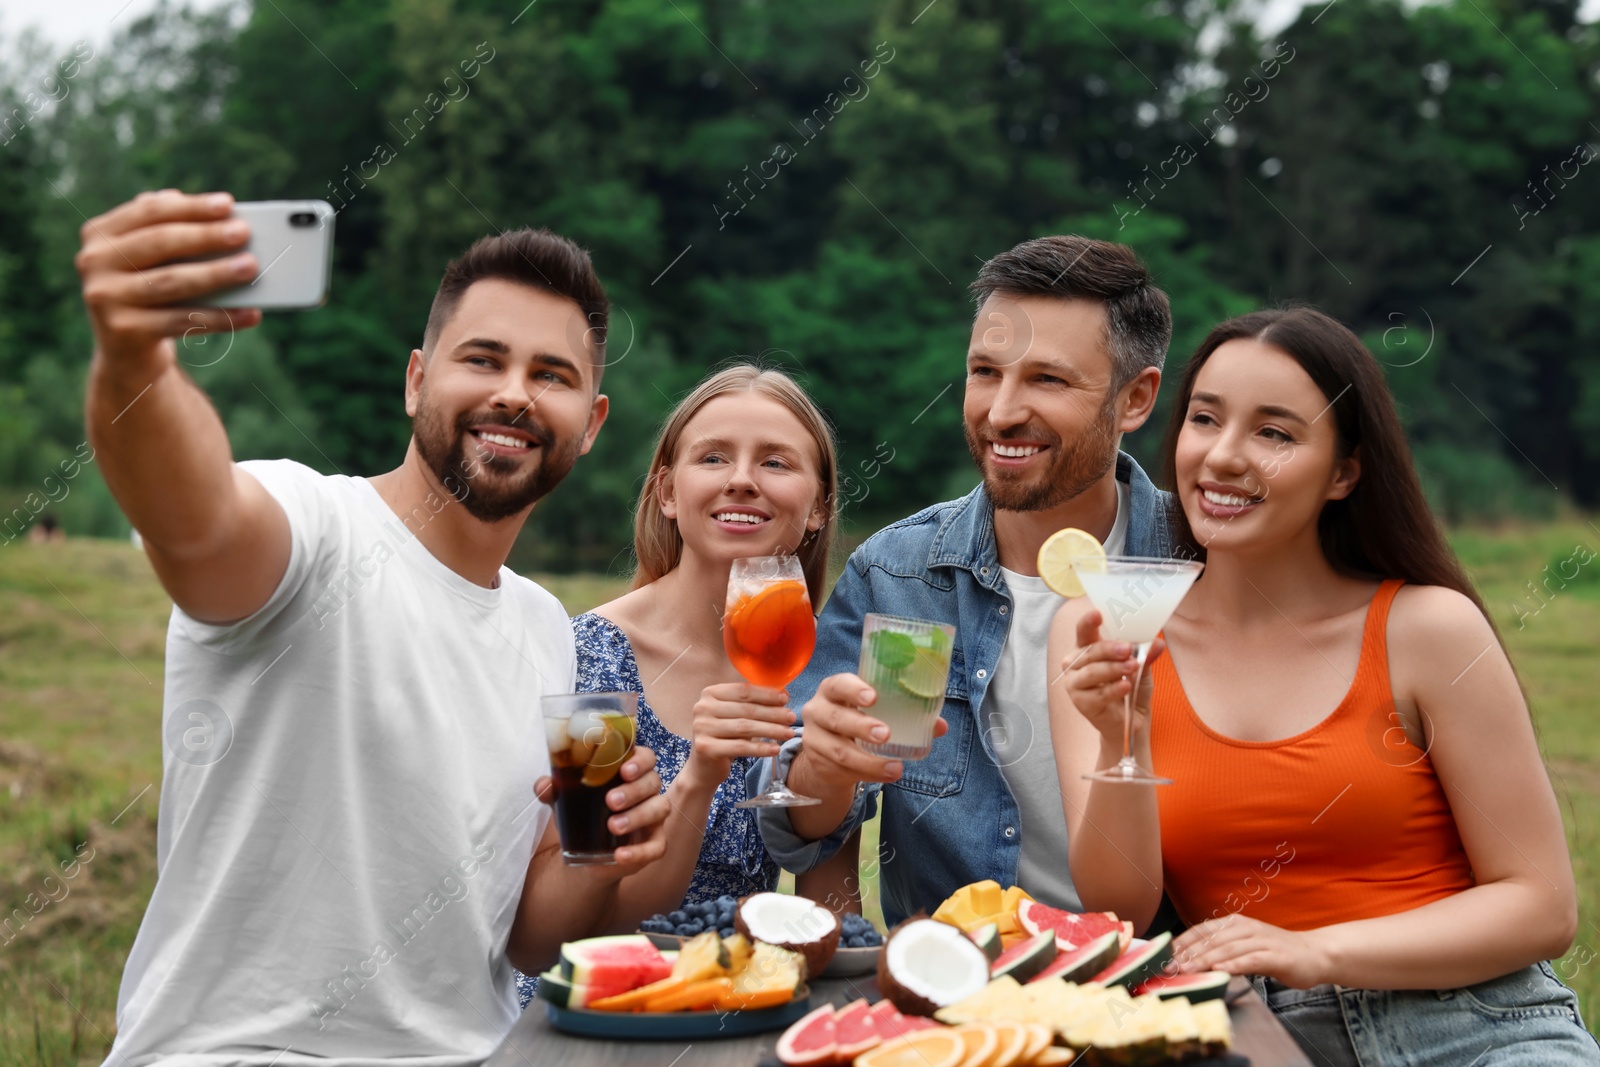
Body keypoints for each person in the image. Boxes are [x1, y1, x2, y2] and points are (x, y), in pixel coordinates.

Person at [77, 189, 675, 1065]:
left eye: (552, 374)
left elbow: (524, 942)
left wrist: (605, 850)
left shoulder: (550, 628)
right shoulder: (315, 528)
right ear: (416, 380)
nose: (514, 393)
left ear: (590, 425)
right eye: (483, 358)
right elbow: (193, 517)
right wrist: (133, 360)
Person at [1050, 307, 1600, 1065]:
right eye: (1205, 419)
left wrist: (1313, 950)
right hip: (1250, 1032)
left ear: (1345, 471)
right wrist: (1123, 738)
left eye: (1274, 433)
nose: (1224, 457)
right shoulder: (1109, 625)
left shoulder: (1429, 629)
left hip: (1470, 1025)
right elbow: (1121, 907)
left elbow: (1542, 906)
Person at [752, 235, 1175, 926]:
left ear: (1135, 399)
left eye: (1048, 379)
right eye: (985, 371)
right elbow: (805, 831)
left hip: (1157, 980)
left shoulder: (1202, 565)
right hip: (962, 981)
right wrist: (822, 767)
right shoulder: (896, 574)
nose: (1002, 411)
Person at [515, 363, 861, 1008]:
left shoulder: (818, 665)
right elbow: (581, 929)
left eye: (777, 463)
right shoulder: (591, 660)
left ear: (818, 508)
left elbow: (832, 905)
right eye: (713, 457)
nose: (742, 480)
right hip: (596, 1010)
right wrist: (697, 780)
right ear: (668, 493)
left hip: (736, 1010)